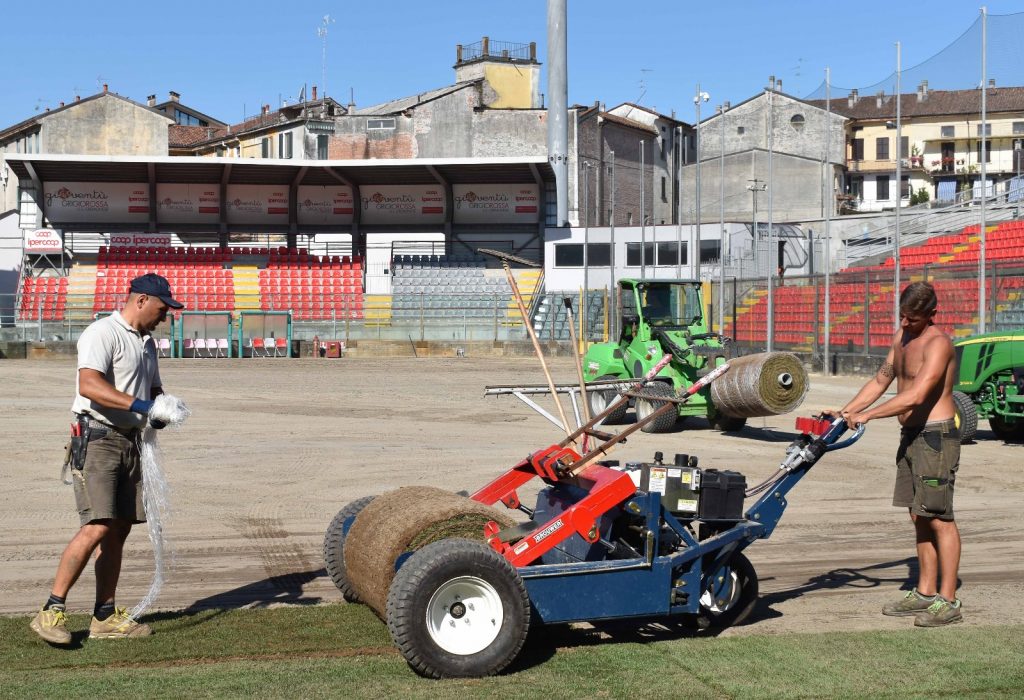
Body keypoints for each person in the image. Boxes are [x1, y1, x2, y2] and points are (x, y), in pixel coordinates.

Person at [30, 273, 183, 644]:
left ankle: (104, 616)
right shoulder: (102, 333)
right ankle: (50, 611)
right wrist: (141, 405)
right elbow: (89, 385)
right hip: (98, 439)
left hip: (132, 441)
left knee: (119, 529)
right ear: (142, 300)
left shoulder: (146, 344)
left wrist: (162, 406)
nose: (165, 318)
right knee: (97, 524)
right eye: (162, 310)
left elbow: (153, 386)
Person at [826, 281, 963, 627]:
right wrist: (844, 413)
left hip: (935, 438)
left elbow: (917, 395)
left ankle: (949, 600)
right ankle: (924, 591)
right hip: (911, 436)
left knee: (939, 517)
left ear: (932, 315)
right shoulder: (901, 338)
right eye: (902, 316)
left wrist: (868, 415)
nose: (905, 324)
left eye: (913, 320)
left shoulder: (939, 344)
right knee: (918, 516)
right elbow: (879, 381)